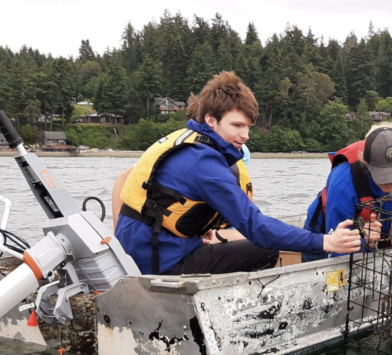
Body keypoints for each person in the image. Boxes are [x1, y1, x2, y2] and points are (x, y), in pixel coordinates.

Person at [114, 71, 361, 275]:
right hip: (156, 265)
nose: (245, 135)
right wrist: (325, 242)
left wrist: (196, 229)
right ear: (211, 120)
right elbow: (256, 227)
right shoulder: (204, 163)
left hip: (145, 250)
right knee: (264, 250)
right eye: (237, 125)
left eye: (248, 127)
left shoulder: (190, 141)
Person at [302, 122, 392, 262]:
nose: (390, 180)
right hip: (324, 237)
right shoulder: (343, 181)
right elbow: (337, 250)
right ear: (366, 164)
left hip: (388, 238)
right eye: (383, 173)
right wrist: (363, 240)